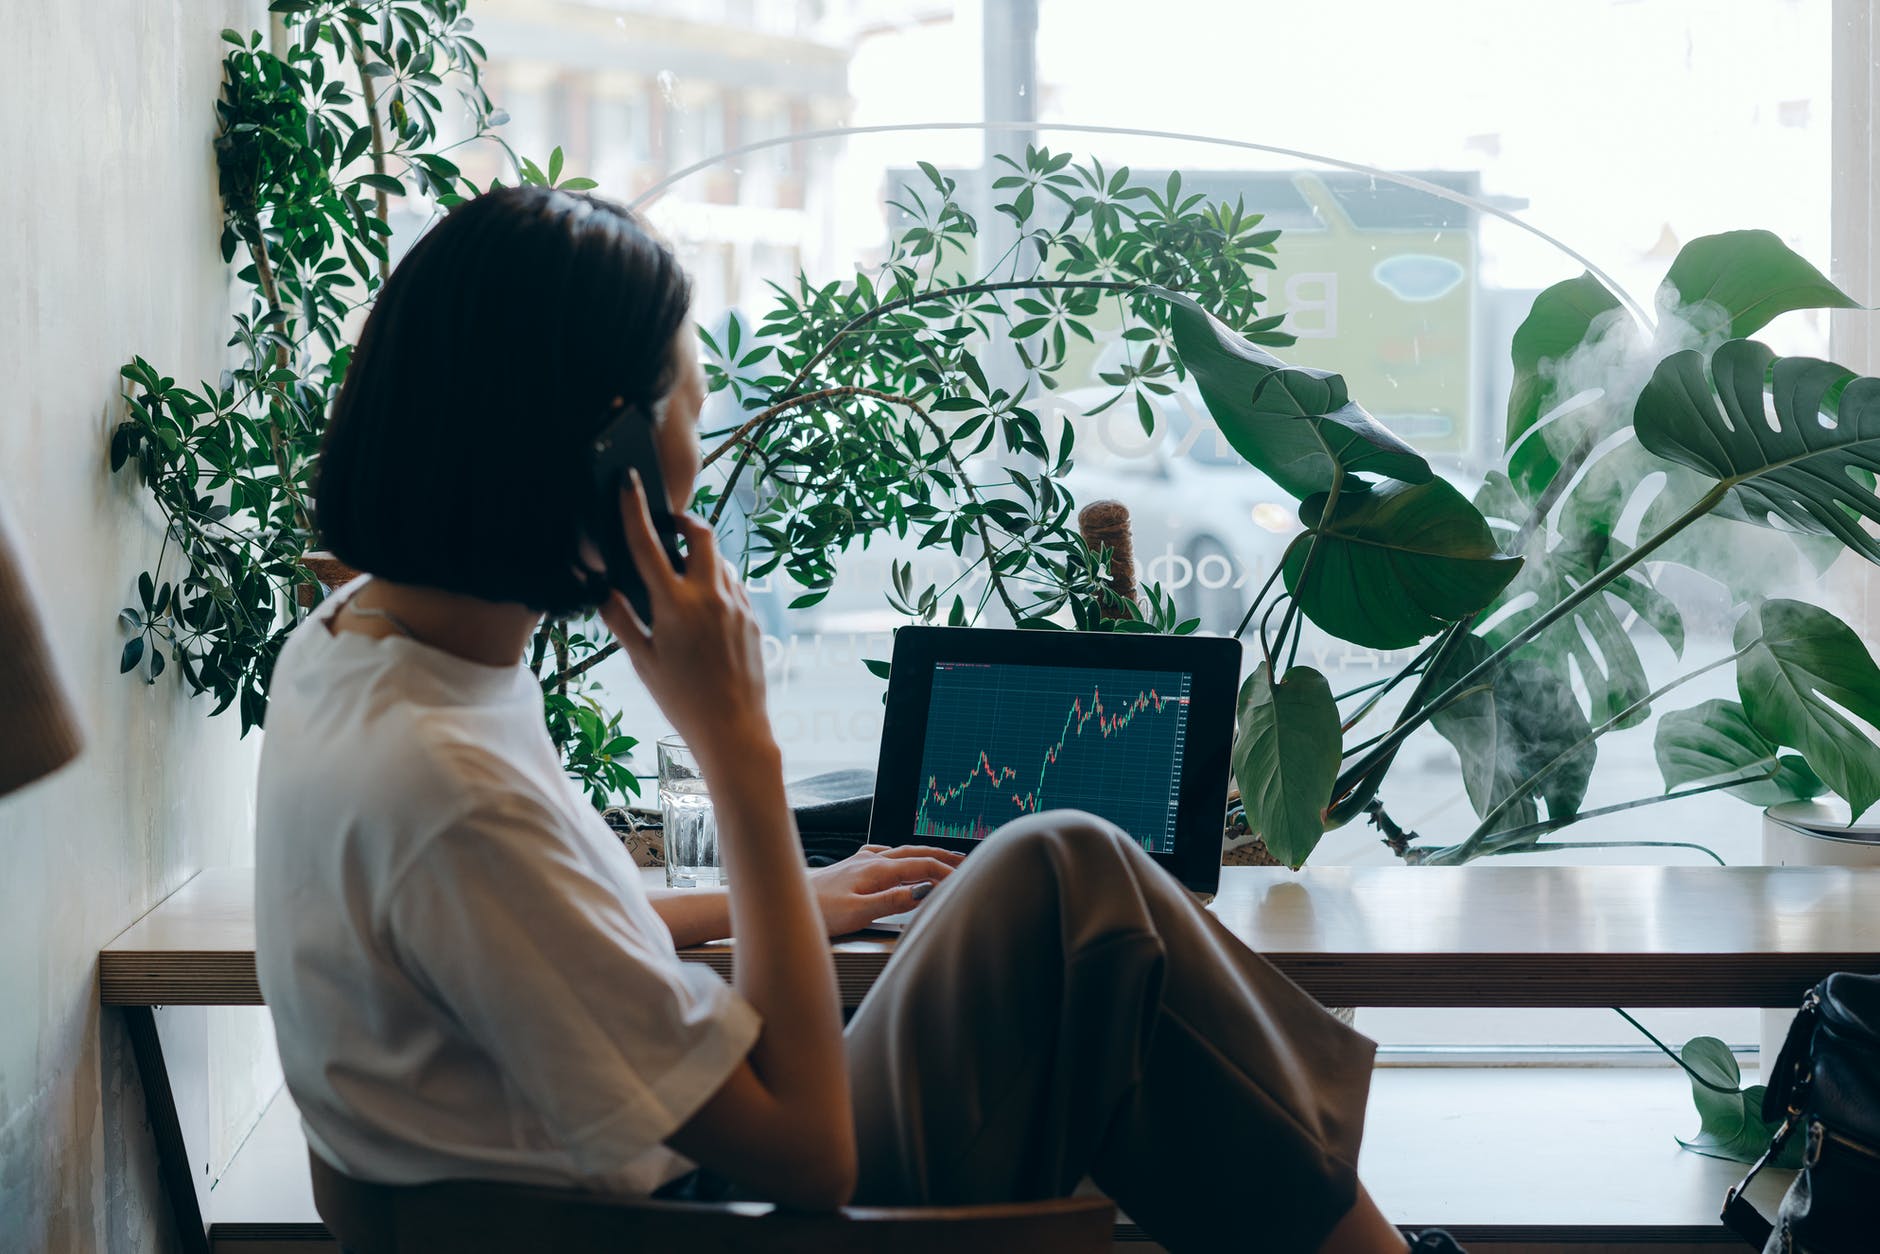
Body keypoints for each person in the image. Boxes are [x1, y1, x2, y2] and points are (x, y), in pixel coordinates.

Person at [254, 185, 1463, 1254]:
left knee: (1063, 867)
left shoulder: (357, 648)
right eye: (692, 391)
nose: (707, 431)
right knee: (1095, 913)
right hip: (714, 1215)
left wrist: (774, 901)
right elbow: (808, 1147)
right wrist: (738, 748)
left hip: (631, 1176)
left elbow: (537, 930)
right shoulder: (452, 786)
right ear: (606, 448)